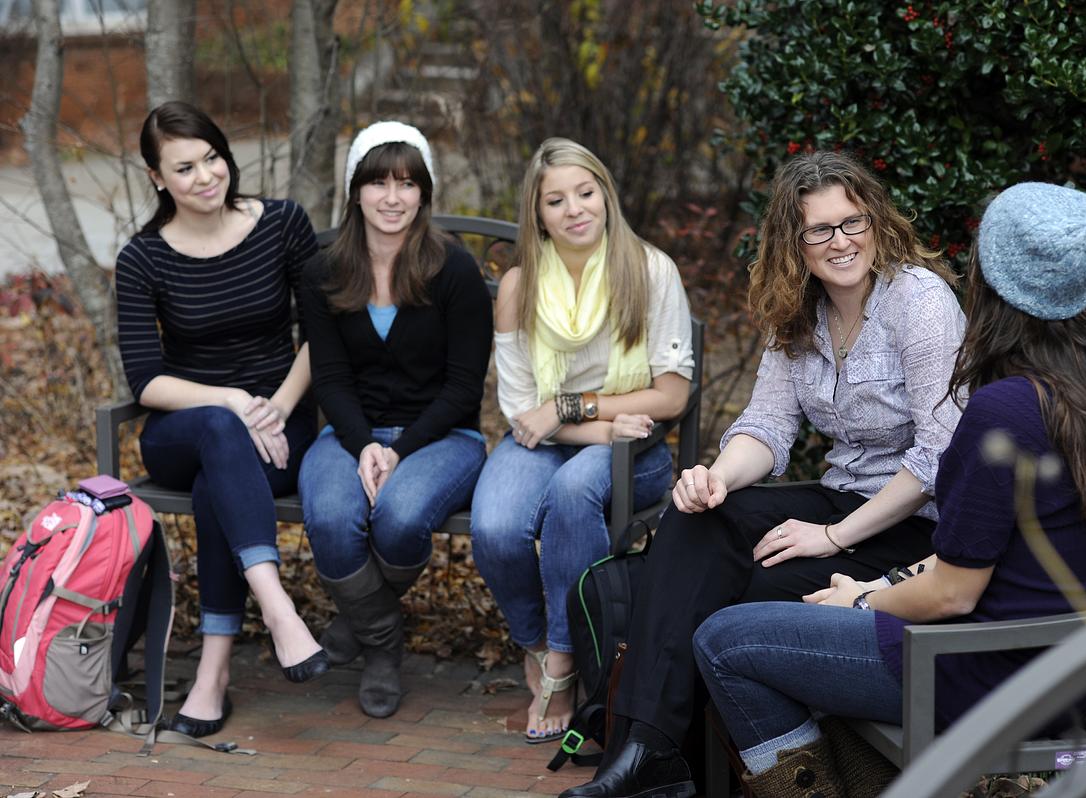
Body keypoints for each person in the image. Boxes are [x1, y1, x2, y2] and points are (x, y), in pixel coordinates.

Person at [692, 182, 1086, 798]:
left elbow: (951, 596)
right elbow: (979, 555)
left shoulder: (1005, 410)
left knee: (724, 640)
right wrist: (876, 585)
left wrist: (858, 604)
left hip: (982, 671)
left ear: (991, 277)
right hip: (1067, 666)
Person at [562, 151, 964, 798]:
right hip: (841, 498)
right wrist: (717, 477)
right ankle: (646, 750)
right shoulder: (798, 310)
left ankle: (675, 758)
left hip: (913, 525)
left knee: (740, 591)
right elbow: (768, 425)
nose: (840, 243)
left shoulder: (919, 303)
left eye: (852, 223)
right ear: (794, 243)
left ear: (877, 222)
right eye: (819, 231)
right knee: (696, 518)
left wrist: (833, 539)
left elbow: (939, 456)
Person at [470, 137, 695, 743]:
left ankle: (567, 663)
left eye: (585, 192)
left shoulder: (649, 270)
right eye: (555, 200)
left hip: (632, 453)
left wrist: (571, 407)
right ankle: (537, 643)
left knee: (573, 492)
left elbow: (671, 397)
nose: (574, 210)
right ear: (536, 213)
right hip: (553, 439)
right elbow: (521, 410)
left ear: (605, 194)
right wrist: (594, 425)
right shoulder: (520, 286)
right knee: (493, 525)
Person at [115, 101, 328, 739]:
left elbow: (321, 334)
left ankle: (213, 674)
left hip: (280, 421)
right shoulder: (143, 258)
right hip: (187, 427)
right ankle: (278, 606)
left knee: (217, 486)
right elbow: (146, 381)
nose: (207, 176)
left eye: (213, 157)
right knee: (217, 430)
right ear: (156, 177)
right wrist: (232, 400)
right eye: (186, 167)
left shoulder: (283, 223)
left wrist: (280, 405)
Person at [298, 121, 493, 718]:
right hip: (350, 435)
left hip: (443, 436)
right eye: (378, 181)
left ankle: (357, 629)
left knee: (400, 516)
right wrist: (363, 446)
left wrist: (399, 449)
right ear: (355, 190)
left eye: (407, 183)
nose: (392, 196)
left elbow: (463, 389)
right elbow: (329, 378)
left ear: (424, 192)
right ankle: (383, 641)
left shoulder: (454, 271)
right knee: (331, 516)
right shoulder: (323, 272)